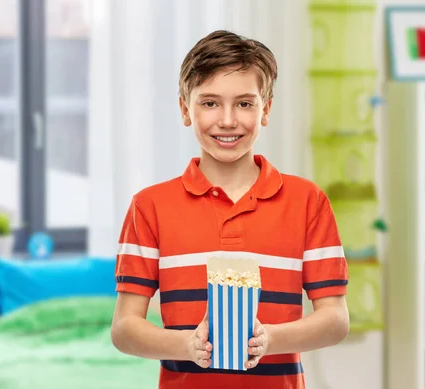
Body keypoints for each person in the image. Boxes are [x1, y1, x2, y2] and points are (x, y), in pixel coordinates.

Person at [111, 29, 350, 389]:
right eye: (209, 103)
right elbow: (125, 328)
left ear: (265, 109)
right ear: (184, 109)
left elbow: (335, 319)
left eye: (244, 103)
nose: (227, 120)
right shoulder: (149, 207)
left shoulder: (308, 201)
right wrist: (187, 346)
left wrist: (269, 340)